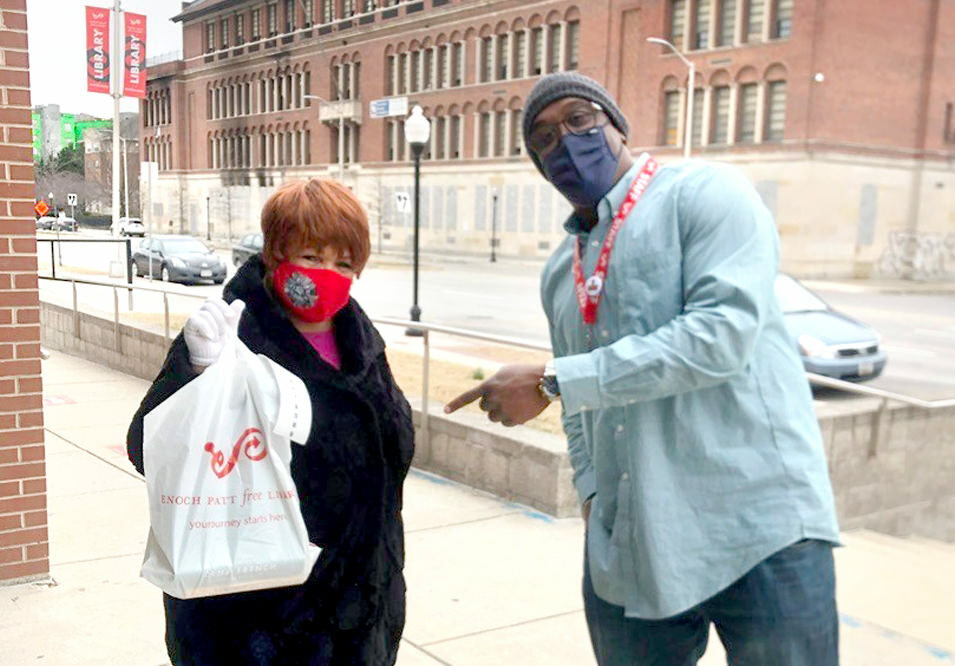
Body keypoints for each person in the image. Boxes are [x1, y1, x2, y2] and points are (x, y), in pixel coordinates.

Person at [445, 71, 841, 665]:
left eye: (580, 119)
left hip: (760, 528)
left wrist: (554, 380)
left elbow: (720, 336)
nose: (566, 141)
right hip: (634, 540)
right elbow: (582, 418)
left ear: (617, 124)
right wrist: (594, 498)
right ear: (538, 164)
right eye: (545, 137)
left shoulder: (706, 194)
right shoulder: (560, 270)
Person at [127, 178, 415, 665]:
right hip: (254, 629)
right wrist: (193, 370)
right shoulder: (230, 340)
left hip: (360, 618)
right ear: (277, 253)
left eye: (344, 262)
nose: (328, 274)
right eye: (311, 256)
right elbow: (147, 447)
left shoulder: (362, 344)